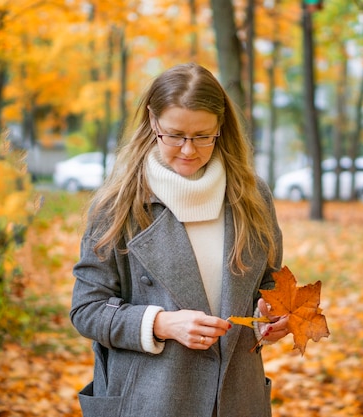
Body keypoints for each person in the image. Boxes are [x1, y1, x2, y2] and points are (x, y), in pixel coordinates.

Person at [70, 62, 289, 417]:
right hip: (149, 398)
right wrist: (160, 323)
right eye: (174, 135)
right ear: (153, 121)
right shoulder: (119, 204)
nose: (188, 150)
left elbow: (268, 282)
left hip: (235, 399)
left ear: (221, 126)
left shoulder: (251, 195)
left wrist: (272, 317)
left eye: (203, 135)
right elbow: (86, 309)